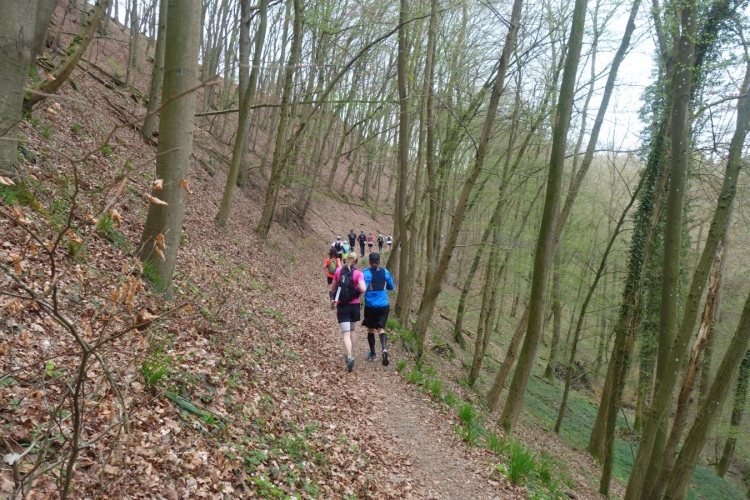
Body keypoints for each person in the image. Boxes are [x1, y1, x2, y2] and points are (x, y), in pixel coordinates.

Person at [330, 253, 367, 372]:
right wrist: (357, 289)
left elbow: (333, 288)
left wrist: (333, 299)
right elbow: (363, 289)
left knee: (345, 334)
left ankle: (350, 356)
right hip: (354, 306)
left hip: (342, 305)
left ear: (346, 260)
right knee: (352, 330)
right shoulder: (358, 273)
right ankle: (350, 353)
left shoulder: (338, 271)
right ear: (356, 262)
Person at [362, 252, 395, 366]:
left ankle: (373, 354)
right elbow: (391, 286)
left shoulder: (366, 273)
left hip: (370, 306)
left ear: (369, 261)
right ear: (379, 261)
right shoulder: (385, 272)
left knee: (371, 329)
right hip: (383, 305)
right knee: (381, 328)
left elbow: (362, 287)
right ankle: (384, 349)